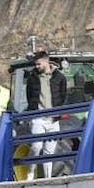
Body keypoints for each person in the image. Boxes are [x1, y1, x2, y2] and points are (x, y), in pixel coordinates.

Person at [23, 51, 68, 180]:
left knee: (49, 152)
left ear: (46, 61)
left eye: (38, 64)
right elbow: (30, 96)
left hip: (53, 119)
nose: (36, 66)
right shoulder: (32, 78)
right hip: (38, 117)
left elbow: (62, 94)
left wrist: (57, 110)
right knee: (36, 146)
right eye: (35, 64)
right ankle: (31, 172)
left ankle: (47, 178)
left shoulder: (60, 77)